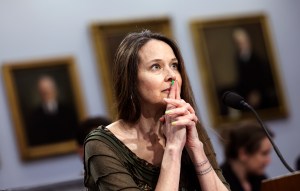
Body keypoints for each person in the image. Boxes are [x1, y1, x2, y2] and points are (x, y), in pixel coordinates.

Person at [84, 30, 230, 190]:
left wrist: (196, 150)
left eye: (174, 65)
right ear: (131, 79)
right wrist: (173, 149)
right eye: (156, 67)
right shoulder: (101, 144)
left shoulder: (187, 125)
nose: (171, 75)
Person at [232, 28, 278, 110]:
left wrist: (257, 93)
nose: (241, 46)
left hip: (261, 99)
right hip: (246, 99)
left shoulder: (257, 59)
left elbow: (264, 78)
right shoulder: (238, 59)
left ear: (248, 42)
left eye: (242, 42)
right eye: (238, 43)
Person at [219, 121, 273, 191]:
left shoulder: (260, 179)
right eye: (264, 153)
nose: (269, 161)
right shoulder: (219, 182)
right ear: (243, 154)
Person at [27, 75, 78, 146]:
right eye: (43, 91)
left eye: (48, 90)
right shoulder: (34, 116)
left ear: (55, 90)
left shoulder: (68, 112)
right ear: (39, 93)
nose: (46, 93)